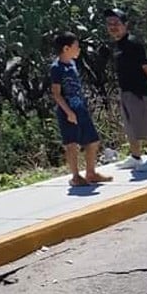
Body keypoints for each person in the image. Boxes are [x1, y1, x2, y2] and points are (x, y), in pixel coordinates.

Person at [104, 8, 147, 172]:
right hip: (126, 91)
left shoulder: (133, 43)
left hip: (140, 91)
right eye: (109, 24)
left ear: (125, 24)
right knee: (130, 126)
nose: (112, 27)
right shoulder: (117, 45)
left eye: (116, 23)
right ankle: (136, 157)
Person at [49, 32, 111, 187]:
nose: (79, 50)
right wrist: (68, 112)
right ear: (66, 48)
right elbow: (56, 94)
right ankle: (75, 176)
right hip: (67, 111)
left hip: (80, 108)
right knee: (72, 144)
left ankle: (91, 172)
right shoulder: (57, 68)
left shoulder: (72, 64)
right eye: (76, 47)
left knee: (92, 140)